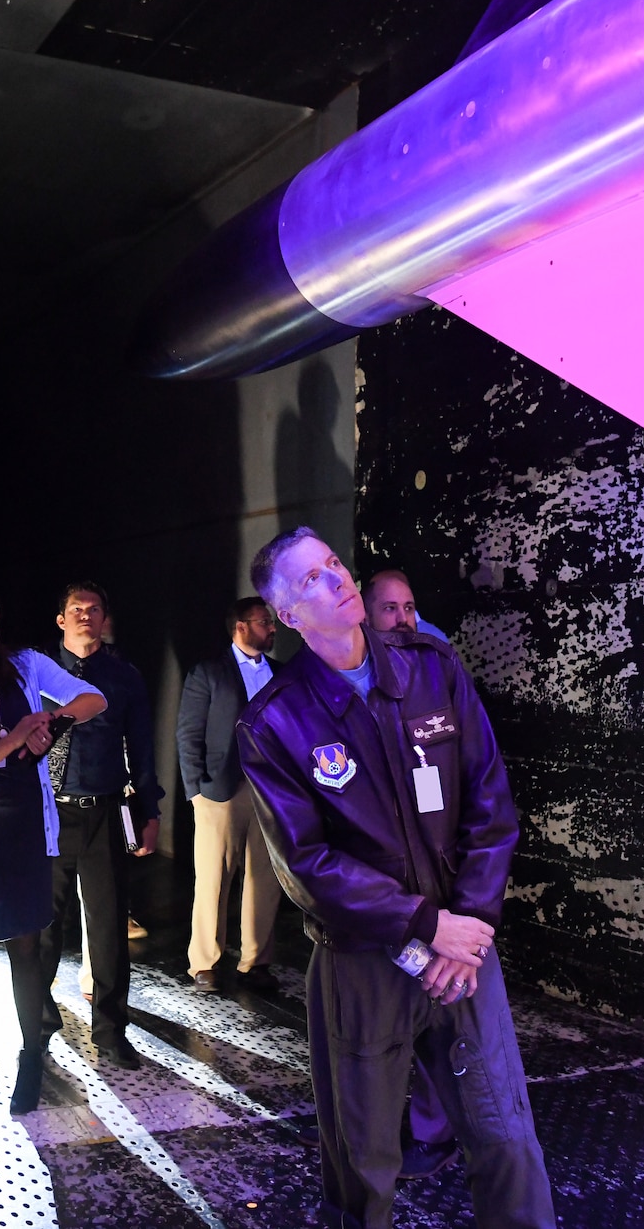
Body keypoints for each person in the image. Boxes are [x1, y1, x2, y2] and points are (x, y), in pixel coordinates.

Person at [237, 526, 558, 1229]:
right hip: (365, 963)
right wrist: (426, 925)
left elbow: (490, 802)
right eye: (314, 577)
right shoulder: (275, 722)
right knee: (362, 1166)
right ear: (288, 613)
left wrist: (465, 928)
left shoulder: (431, 669)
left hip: (465, 952)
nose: (339, 577)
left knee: (507, 1140)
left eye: (334, 563)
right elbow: (307, 866)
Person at [0, 596, 105, 1111]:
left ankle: (31, 1056)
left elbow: (94, 699)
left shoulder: (24, 664)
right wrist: (16, 739)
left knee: (29, 946)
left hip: (25, 815)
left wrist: (52, 725)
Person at [28, 580, 166, 1069]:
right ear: (60, 619)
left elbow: (143, 749)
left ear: (105, 619)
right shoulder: (34, 672)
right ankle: (39, 1029)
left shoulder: (123, 676)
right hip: (50, 814)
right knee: (43, 928)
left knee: (108, 930)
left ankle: (111, 1031)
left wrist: (150, 811)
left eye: (95, 609)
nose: (86, 615)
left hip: (105, 811)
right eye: (76, 609)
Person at [361, 570, 460, 1181]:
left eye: (410, 606)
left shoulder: (437, 661)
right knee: (383, 1010)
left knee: (437, 1009)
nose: (403, 619)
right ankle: (377, 1130)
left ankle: (433, 1130)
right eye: (389, 609)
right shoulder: (345, 678)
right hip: (379, 879)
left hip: (436, 872)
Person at [176, 596, 283, 995]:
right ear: (240, 626)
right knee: (214, 878)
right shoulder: (209, 672)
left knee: (265, 879)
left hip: (270, 789)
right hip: (220, 790)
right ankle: (205, 962)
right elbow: (188, 733)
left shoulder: (281, 673)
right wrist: (195, 792)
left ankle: (255, 961)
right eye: (264, 622)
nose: (272, 628)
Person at [361, 568, 450, 643]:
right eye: (390, 608)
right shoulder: (355, 660)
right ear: (365, 619)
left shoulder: (435, 649)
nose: (403, 619)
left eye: (408, 608)